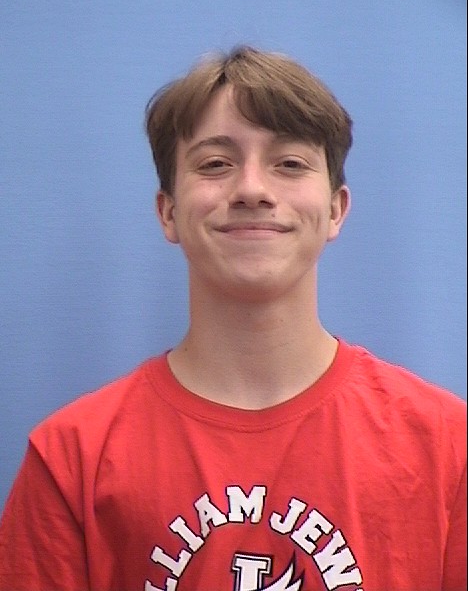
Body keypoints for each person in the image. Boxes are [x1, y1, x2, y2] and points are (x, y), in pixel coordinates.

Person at [0, 46, 466, 591]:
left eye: (289, 164)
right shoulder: (72, 458)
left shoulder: (446, 446)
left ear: (336, 209)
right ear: (168, 211)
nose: (251, 189)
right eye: (215, 164)